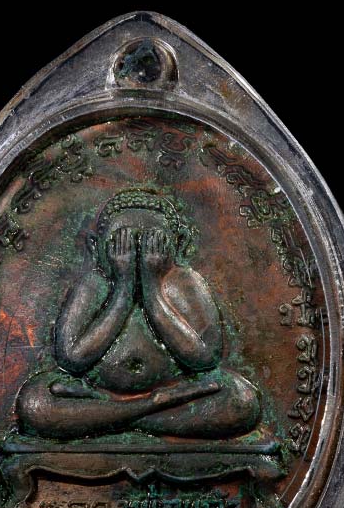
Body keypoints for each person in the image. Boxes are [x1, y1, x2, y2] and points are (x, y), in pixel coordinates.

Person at [17, 188, 260, 439]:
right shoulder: (93, 284)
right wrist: (123, 288)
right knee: (35, 400)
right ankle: (146, 411)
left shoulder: (185, 282)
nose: (135, 254)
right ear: (95, 247)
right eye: (121, 243)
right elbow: (71, 358)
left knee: (240, 399)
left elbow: (205, 358)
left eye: (152, 242)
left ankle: (115, 420)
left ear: (179, 244)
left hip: (177, 390)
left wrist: (151, 287)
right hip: (99, 394)